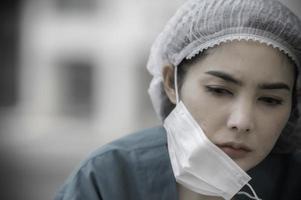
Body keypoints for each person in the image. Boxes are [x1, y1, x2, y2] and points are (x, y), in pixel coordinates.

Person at [54, 0, 301, 199]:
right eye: (219, 90)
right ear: (171, 82)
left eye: (270, 100)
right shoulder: (108, 177)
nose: (242, 121)